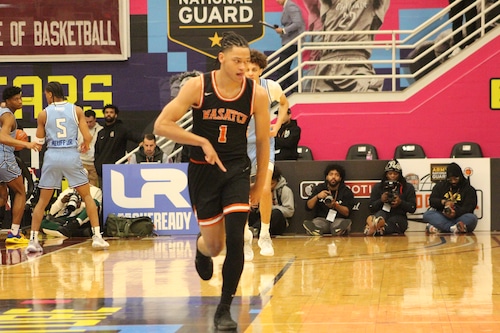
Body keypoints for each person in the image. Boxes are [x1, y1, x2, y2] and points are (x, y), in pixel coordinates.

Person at [153, 32, 270, 331]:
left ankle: (224, 308)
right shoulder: (198, 86)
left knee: (236, 240)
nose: (243, 66)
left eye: (247, 61)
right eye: (236, 61)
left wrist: (259, 182)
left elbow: (264, 142)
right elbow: (161, 125)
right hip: (202, 172)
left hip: (236, 170)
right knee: (215, 246)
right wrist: (200, 140)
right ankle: (202, 248)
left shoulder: (255, 93)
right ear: (221, 58)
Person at [25, 81, 110, 253]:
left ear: (49, 94)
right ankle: (97, 237)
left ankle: (33, 240)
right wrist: (85, 144)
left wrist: (33, 144)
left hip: (53, 155)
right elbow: (87, 136)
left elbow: (40, 141)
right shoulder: (76, 110)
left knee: (42, 200)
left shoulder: (43, 114)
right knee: (87, 197)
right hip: (71, 155)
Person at [244, 49, 289, 259]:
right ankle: (245, 238)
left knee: (264, 187)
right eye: (247, 69)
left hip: (264, 143)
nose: (250, 72)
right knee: (242, 193)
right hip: (241, 146)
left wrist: (277, 125)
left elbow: (284, 104)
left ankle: (264, 234)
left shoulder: (270, 87)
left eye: (254, 69)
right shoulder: (235, 88)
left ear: (261, 69)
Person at [310, 0, 390, 92]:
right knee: (318, 104)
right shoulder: (330, 3)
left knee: (369, 100)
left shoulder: (373, 4)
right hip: (327, 65)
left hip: (356, 64)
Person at [0, 86, 39, 244]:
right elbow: (3, 137)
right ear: (8, 101)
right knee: (21, 192)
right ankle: (14, 233)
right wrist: (25, 144)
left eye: (21, 98)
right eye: (16, 99)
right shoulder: (9, 116)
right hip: (4, 158)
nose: (20, 101)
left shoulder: (2, 110)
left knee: (3, 196)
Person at [365, 159, 417, 236]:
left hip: (399, 216)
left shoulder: (408, 187)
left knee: (394, 222)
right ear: (386, 174)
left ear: (399, 174)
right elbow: (371, 207)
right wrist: (381, 200)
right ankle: (376, 225)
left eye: (395, 173)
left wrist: (400, 202)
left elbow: (412, 208)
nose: (392, 176)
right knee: (379, 216)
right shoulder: (378, 187)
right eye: (390, 173)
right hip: (382, 212)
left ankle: (375, 228)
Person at [423, 162, 478, 234]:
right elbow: (432, 201)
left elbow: (469, 207)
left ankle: (442, 228)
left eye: (456, 179)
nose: (453, 181)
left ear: (460, 176)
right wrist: (444, 202)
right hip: (443, 216)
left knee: (472, 218)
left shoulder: (469, 189)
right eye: (450, 179)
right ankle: (454, 228)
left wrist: (455, 213)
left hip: (460, 217)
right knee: (427, 215)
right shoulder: (440, 186)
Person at [94, 104, 142, 185]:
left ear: (115, 115)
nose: (108, 114)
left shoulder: (121, 129)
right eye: (106, 112)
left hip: (116, 170)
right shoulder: (101, 132)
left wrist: (143, 142)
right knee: (103, 195)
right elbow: (97, 151)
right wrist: (97, 165)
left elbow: (136, 137)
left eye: (111, 112)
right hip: (102, 172)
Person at [303, 164, 354, 236]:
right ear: (326, 177)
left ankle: (340, 230)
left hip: (338, 219)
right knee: (317, 223)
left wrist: (335, 205)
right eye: (331, 174)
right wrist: (317, 196)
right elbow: (308, 207)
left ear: (340, 178)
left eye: (337, 175)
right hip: (322, 220)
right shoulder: (320, 188)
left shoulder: (345, 191)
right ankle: (315, 230)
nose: (333, 177)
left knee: (340, 224)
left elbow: (347, 212)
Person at [248, 167, 294, 237]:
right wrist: (252, 206)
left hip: (277, 224)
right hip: (260, 219)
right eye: (267, 183)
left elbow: (289, 211)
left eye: (272, 183)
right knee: (247, 210)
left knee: (276, 213)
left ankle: (255, 230)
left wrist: (268, 207)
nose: (269, 186)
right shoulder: (259, 189)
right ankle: (247, 230)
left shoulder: (285, 190)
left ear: (277, 181)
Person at [274, 0, 306, 93]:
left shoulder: (290, 6)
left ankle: (278, 95)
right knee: (285, 69)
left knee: (282, 68)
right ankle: (295, 90)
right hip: (291, 42)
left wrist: (284, 30)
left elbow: (298, 23)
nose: (276, 1)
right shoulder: (288, 6)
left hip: (293, 42)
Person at [78, 110, 102, 187]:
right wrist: (80, 147)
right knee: (79, 187)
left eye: (91, 122)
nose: (88, 124)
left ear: (95, 119)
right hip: (81, 162)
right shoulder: (78, 129)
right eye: (86, 122)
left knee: (93, 188)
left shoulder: (101, 130)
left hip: (93, 163)